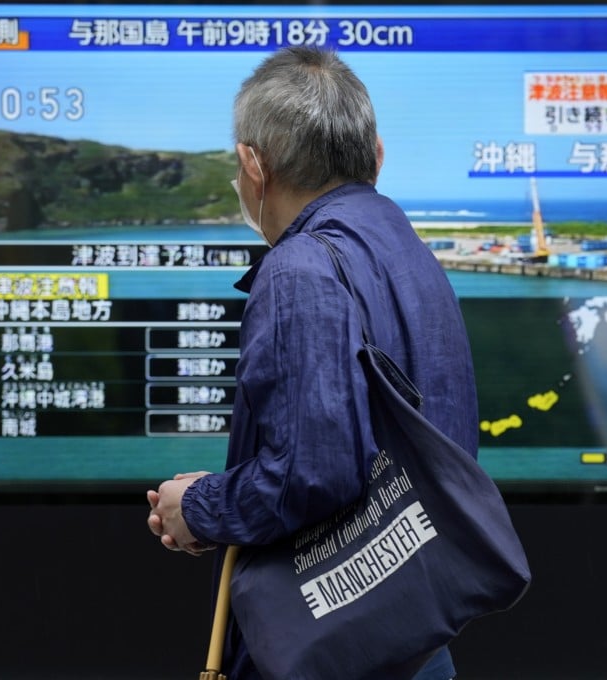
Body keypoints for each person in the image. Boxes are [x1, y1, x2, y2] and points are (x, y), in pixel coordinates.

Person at [147, 45, 479, 680]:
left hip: (332, 646)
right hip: (415, 634)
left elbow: (314, 473)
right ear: (376, 155)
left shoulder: (298, 268)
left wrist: (198, 507)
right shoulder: (411, 253)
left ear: (253, 165)